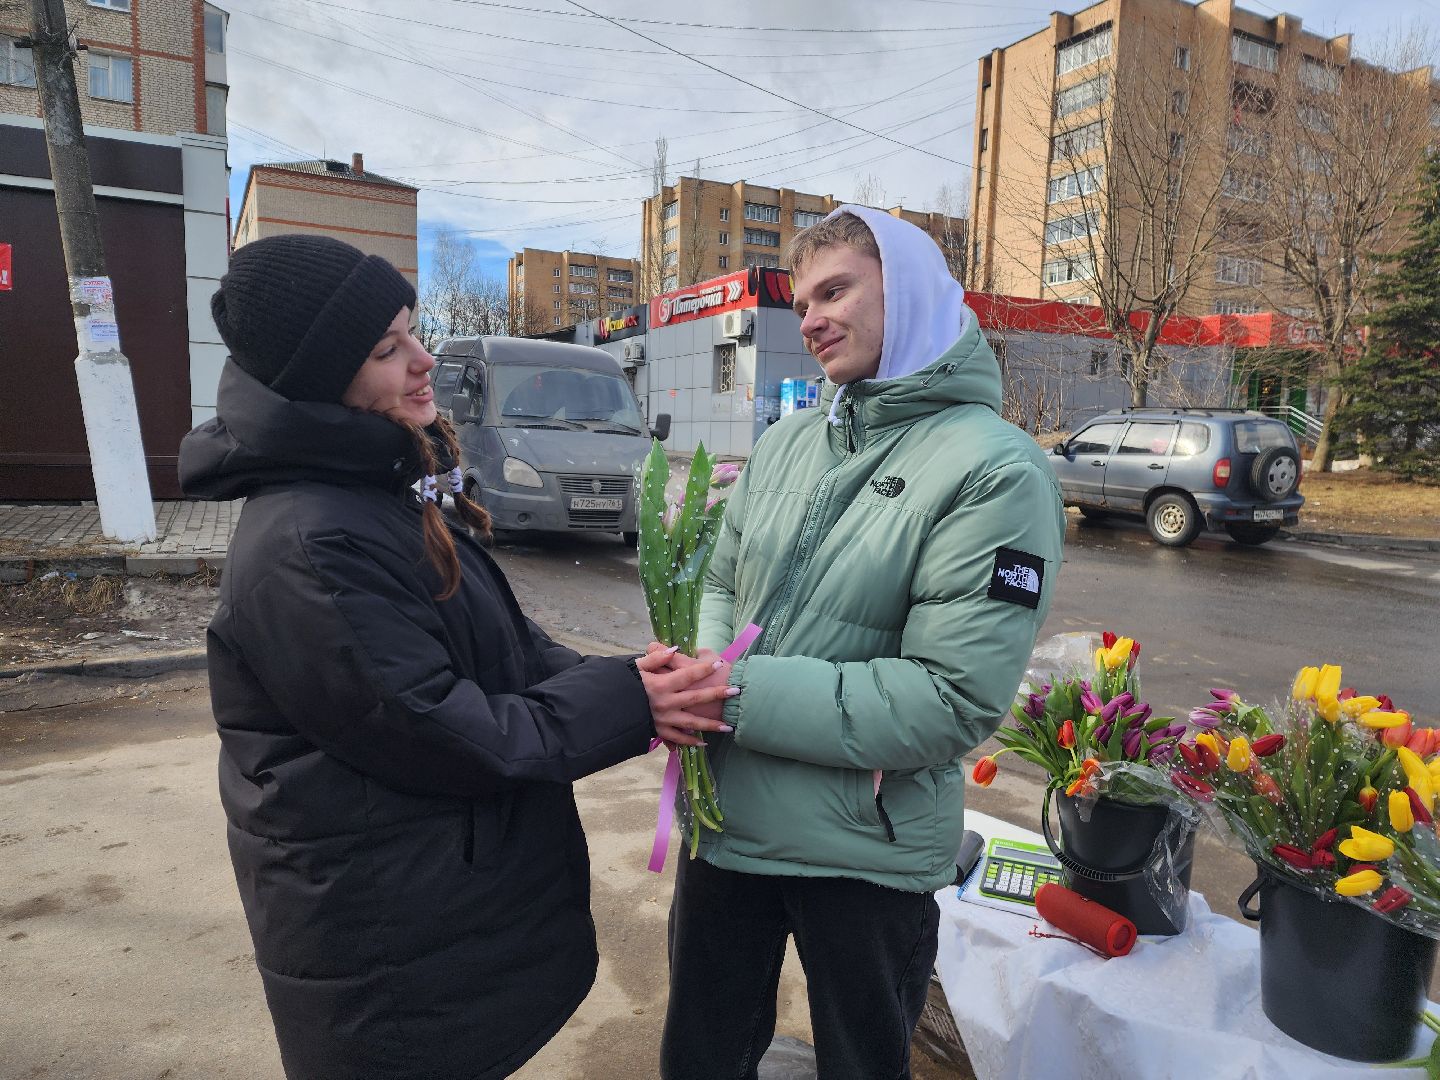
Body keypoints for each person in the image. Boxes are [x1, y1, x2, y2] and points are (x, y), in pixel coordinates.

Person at [177, 234, 734, 1080]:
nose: (423, 357)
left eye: (413, 330)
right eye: (386, 347)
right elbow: (445, 726)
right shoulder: (310, 541)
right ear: (321, 380)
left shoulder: (381, 485)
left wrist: (630, 677)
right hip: (382, 933)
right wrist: (631, 706)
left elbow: (505, 650)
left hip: (429, 905)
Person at [659, 207, 1066, 1080]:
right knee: (700, 1057)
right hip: (728, 829)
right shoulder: (791, 440)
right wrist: (705, 664)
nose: (809, 320)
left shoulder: (994, 469)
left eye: (835, 290)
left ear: (908, 291)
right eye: (802, 301)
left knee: (862, 1063)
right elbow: (723, 579)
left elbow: (946, 699)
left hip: (863, 852)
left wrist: (725, 694)